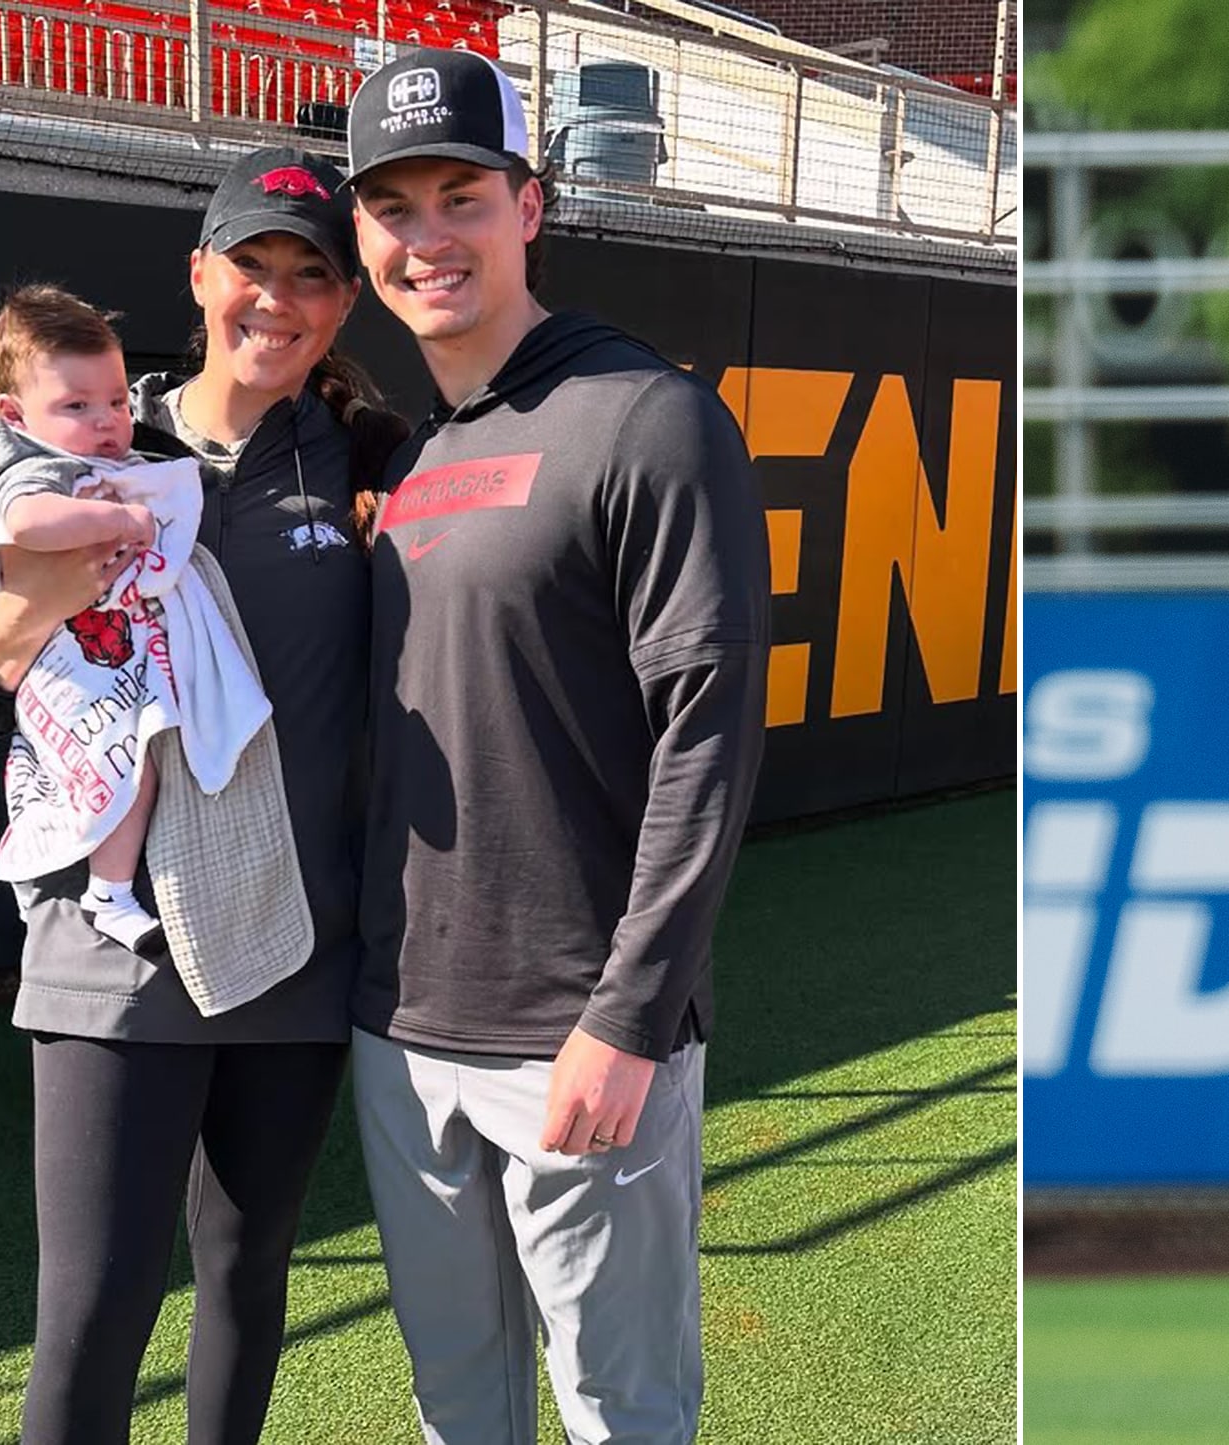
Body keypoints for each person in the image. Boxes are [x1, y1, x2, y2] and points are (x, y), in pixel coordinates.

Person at [0, 145, 407, 1445]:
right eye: (250, 267)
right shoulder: (95, 452)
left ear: (342, 303)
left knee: (249, 1280)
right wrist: (50, 591)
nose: (276, 297)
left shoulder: (374, 459)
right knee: (93, 1307)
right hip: (112, 949)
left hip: (295, 949)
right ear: (200, 276)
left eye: (310, 275)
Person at [340, 47, 770, 1445]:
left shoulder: (645, 417)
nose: (427, 238)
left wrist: (632, 1016)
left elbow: (709, 737)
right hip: (401, 1028)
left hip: (576, 1033)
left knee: (620, 1411)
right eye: (393, 208)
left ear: (530, 207)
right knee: (461, 1407)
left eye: (460, 196)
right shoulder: (408, 459)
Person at [0, 284, 264, 958]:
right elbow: (28, 523)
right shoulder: (22, 468)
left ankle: (111, 892)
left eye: (116, 400)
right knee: (113, 771)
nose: (109, 421)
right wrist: (123, 519)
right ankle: (102, 893)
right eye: (76, 406)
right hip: (66, 683)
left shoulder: (136, 457)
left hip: (118, 671)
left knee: (139, 767)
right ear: (14, 415)